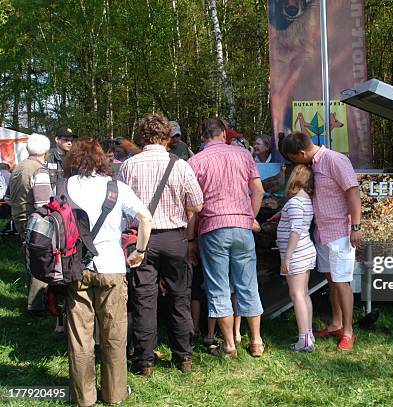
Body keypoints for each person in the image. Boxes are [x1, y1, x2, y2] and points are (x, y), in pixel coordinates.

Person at [63, 139, 152, 406]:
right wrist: (140, 251)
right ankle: (114, 394)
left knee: (80, 337)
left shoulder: (64, 186)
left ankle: (84, 397)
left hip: (76, 268)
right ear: (102, 160)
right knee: (114, 334)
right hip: (112, 267)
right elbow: (146, 218)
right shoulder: (117, 188)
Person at [118, 113, 203, 375]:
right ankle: (183, 357)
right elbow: (197, 204)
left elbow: (119, 206)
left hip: (141, 239)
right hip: (174, 237)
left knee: (144, 299)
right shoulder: (180, 165)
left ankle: (144, 361)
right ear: (166, 136)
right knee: (179, 297)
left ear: (141, 137)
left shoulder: (128, 166)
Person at [188, 117, 265, 357]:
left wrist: (190, 240)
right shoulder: (243, 155)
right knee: (248, 284)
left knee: (219, 288)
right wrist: (250, 217)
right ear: (223, 133)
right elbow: (259, 190)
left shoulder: (194, 161)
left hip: (212, 228)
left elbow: (192, 206)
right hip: (242, 227)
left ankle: (229, 345)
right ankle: (256, 341)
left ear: (202, 137)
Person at [280, 131, 362, 351]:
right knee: (331, 280)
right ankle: (336, 323)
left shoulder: (335, 160)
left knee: (342, 282)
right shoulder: (314, 164)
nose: (293, 163)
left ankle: (348, 332)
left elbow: (353, 193)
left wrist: (356, 227)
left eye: (293, 158)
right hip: (322, 233)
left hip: (340, 233)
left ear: (302, 152)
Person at [8, 134, 53, 315]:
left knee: (30, 259)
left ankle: (33, 302)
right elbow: (43, 205)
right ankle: (37, 305)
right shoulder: (39, 170)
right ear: (46, 151)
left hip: (19, 217)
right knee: (40, 260)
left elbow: (8, 197)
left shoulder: (19, 167)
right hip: (35, 220)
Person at [276, 164, 316, 352]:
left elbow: (295, 230)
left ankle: (304, 340)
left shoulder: (294, 203)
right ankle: (308, 334)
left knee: (297, 295)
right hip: (306, 251)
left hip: (297, 253)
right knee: (304, 293)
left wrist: (287, 256)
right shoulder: (305, 200)